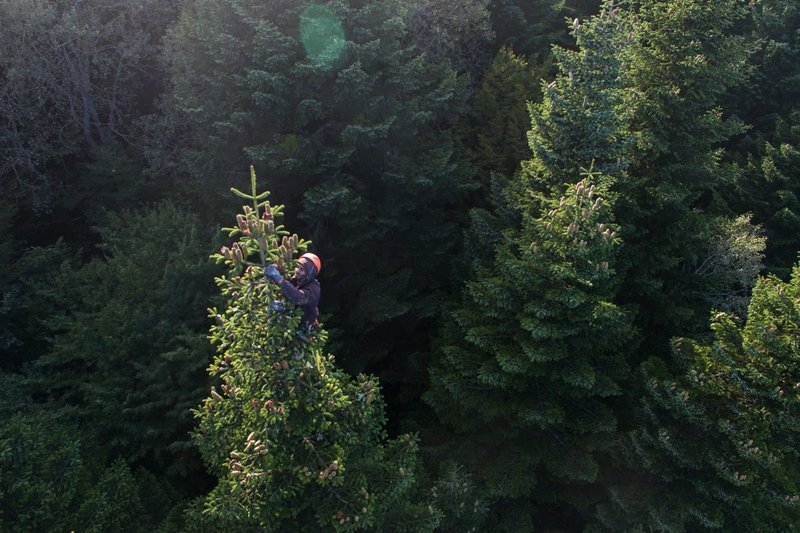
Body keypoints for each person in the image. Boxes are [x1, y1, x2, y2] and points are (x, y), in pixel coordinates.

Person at [264, 253, 321, 333]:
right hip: (289, 319)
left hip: (303, 326)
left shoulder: (314, 289)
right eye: (297, 267)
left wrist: (279, 279)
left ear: (310, 273)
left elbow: (299, 298)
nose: (297, 270)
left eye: (302, 269)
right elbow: (288, 287)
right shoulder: (295, 279)